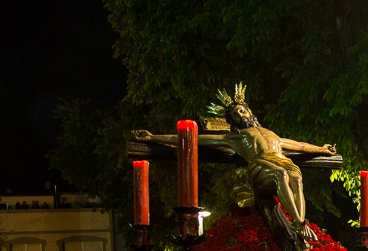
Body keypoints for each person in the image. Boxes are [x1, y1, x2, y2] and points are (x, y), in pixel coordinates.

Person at [134, 85, 337, 240]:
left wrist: (321, 149)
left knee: (296, 178)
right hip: (260, 165)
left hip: (282, 160)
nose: (241, 114)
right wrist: (153, 138)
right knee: (281, 175)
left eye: (242, 110)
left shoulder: (271, 133)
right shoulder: (234, 137)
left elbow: (299, 146)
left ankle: (300, 227)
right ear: (232, 121)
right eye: (236, 114)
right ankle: (299, 222)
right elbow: (194, 138)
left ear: (249, 112)